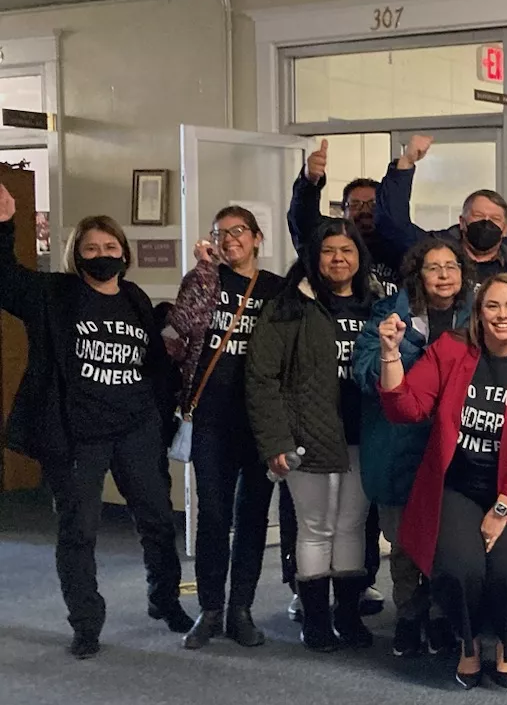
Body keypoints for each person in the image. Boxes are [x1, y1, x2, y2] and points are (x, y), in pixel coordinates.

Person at [0, 190, 189, 658]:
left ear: (123, 253)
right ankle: (86, 623)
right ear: (76, 256)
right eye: (91, 249)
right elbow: (5, 279)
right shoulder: (55, 296)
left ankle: (164, 601)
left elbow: (150, 361)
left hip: (135, 428)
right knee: (78, 531)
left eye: (109, 248)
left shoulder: (135, 298)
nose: (102, 256)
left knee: (157, 520)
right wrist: (6, 224)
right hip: (76, 434)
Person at [377, 274, 507, 688]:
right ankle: (467, 643)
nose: (502, 315)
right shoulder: (451, 352)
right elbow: (405, 408)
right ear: (478, 314)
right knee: (460, 569)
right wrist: (390, 355)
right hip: (457, 486)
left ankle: (506, 642)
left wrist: (503, 507)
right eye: (492, 306)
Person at [247, 217, 378, 652]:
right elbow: (262, 379)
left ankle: (348, 616)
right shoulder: (289, 306)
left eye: (348, 250)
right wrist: (276, 443)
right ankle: (316, 620)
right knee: (316, 528)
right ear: (313, 257)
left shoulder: (375, 304)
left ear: (360, 257)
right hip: (306, 437)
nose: (339, 259)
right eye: (329, 251)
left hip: (363, 433)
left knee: (352, 526)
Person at [165, 206, 287, 650]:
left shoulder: (276, 288)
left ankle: (242, 610)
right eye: (221, 233)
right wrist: (202, 271)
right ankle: (210, 609)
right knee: (212, 517)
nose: (230, 239)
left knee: (252, 517)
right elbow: (178, 334)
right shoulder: (203, 280)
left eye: (239, 232)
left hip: (259, 421)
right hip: (210, 417)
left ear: (257, 238)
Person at [352, 238, 475, 657]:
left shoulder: (480, 315)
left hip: (454, 448)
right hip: (399, 445)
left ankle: (441, 614)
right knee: (404, 541)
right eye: (433, 267)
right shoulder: (388, 315)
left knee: (446, 538)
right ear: (417, 275)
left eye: (451, 266)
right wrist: (397, 348)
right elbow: (365, 373)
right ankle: (408, 613)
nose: (443, 275)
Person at [373, 134, 507, 291]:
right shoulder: (433, 248)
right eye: (478, 216)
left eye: (495, 218)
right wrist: (406, 163)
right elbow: (393, 226)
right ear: (462, 221)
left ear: (505, 229)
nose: (486, 222)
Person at [291, 138, 400, 295]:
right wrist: (309, 181)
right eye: (355, 205)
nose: (365, 211)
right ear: (343, 210)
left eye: (373, 204)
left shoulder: (399, 246)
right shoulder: (326, 239)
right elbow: (302, 218)